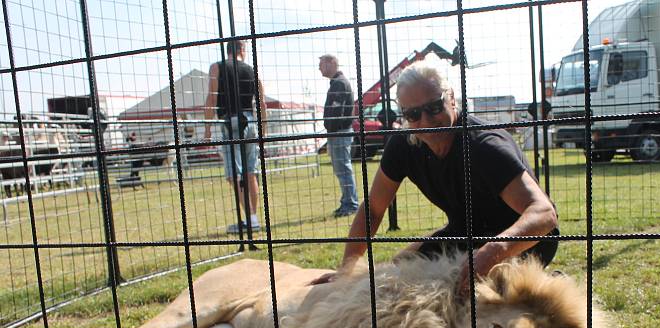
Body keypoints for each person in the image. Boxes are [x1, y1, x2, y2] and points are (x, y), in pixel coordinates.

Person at [313, 62, 559, 295]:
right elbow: (374, 210)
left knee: (471, 297)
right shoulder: (403, 145)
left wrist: (496, 249)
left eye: (434, 107)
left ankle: (545, 285)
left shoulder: (485, 146)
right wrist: (345, 271)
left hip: (524, 240)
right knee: (400, 269)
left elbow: (544, 213)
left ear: (451, 98)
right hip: (464, 232)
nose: (427, 122)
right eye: (413, 114)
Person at [204, 40, 268, 234]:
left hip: (230, 121)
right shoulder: (252, 70)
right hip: (250, 121)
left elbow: (212, 98)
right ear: (241, 50)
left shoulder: (216, 67)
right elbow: (262, 104)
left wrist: (207, 129)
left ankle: (251, 219)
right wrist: (264, 132)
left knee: (234, 174)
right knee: (250, 172)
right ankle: (252, 218)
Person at [319, 54, 358, 217]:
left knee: (343, 168)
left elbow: (337, 111)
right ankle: (347, 202)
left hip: (340, 132)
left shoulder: (339, 83)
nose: (319, 67)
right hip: (339, 131)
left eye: (322, 64)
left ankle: (350, 204)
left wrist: (331, 129)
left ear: (332, 63)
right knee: (341, 168)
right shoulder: (338, 83)